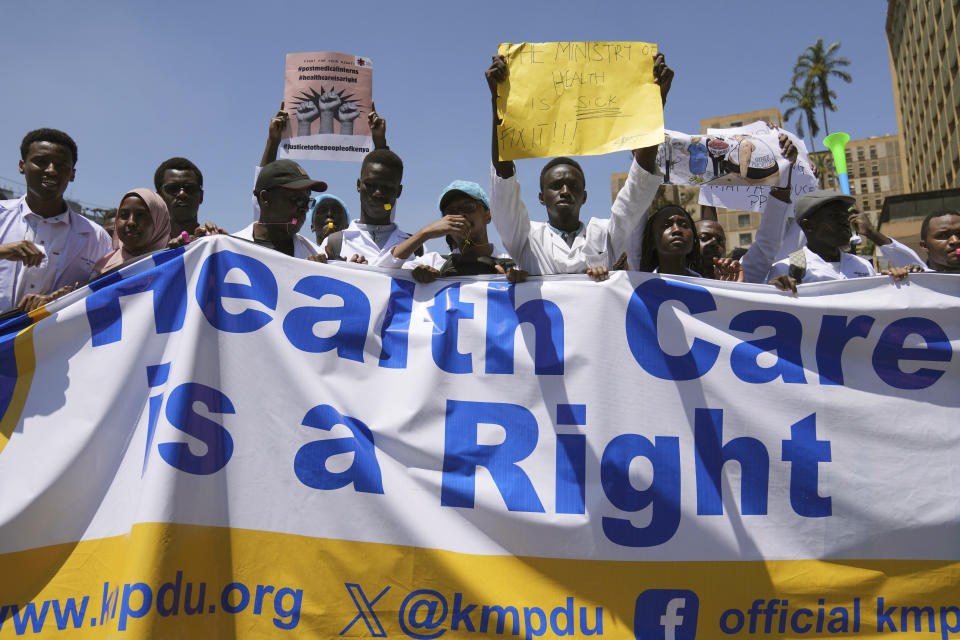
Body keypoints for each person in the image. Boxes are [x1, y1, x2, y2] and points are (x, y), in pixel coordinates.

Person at [485, 53, 672, 282]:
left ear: (584, 196)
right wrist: (499, 102)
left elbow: (638, 187)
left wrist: (655, 103)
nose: (565, 191)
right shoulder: (524, 237)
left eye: (573, 186)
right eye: (556, 186)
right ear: (542, 197)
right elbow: (504, 183)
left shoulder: (603, 235)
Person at [0, 128, 112, 312]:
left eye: (60, 165)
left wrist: (63, 300)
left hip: (53, 340)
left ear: (72, 174)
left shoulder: (96, 237)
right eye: (41, 162)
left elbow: (102, 295)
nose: (51, 171)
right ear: (22, 166)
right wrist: (3, 251)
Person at [766, 191, 911, 291]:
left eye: (845, 215)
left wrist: (893, 282)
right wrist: (776, 292)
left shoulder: (863, 266)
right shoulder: (787, 269)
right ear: (807, 225)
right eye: (835, 216)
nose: (845, 221)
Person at [406, 181, 527, 283]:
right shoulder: (433, 263)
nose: (460, 214)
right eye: (451, 212)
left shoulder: (514, 267)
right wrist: (425, 233)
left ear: (488, 215)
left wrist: (517, 289)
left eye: (469, 207)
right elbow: (388, 273)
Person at [233, 159, 326, 258]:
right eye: (298, 200)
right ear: (265, 198)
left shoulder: (316, 255)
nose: (305, 209)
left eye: (308, 201)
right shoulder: (228, 251)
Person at [638, 205, 742, 279]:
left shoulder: (709, 287)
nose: (677, 230)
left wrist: (732, 288)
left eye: (684, 224)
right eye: (666, 226)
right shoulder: (638, 287)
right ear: (652, 241)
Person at [95, 189, 172, 273]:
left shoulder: (176, 266)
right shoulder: (103, 271)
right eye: (124, 215)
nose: (131, 222)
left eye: (140, 215)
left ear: (160, 222)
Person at [154, 157, 205, 239]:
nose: (182, 194)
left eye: (190, 188)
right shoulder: (147, 249)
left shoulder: (217, 245)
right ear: (159, 198)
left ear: (201, 196)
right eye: (172, 188)